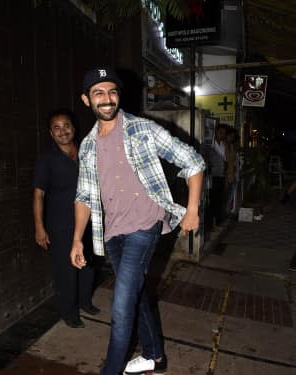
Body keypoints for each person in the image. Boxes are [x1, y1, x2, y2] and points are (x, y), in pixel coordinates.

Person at [70, 67, 205, 375]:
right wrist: (77, 238)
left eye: (112, 92)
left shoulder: (142, 129)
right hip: (113, 232)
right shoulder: (88, 146)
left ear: (119, 96)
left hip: (145, 225)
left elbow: (193, 161)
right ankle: (155, 356)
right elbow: (83, 197)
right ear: (86, 99)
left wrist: (192, 209)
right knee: (137, 293)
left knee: (120, 306)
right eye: (98, 93)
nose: (107, 99)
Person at [33, 109, 100, 329]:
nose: (63, 131)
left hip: (88, 220)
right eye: (57, 127)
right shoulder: (47, 160)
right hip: (61, 224)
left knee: (88, 264)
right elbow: (38, 194)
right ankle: (69, 312)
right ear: (51, 133)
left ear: (74, 128)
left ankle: (84, 302)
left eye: (66, 126)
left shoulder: (86, 152)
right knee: (67, 270)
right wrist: (39, 228)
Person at [209, 123, 227, 228]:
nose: (222, 135)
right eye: (220, 132)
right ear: (215, 133)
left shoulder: (223, 145)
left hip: (220, 175)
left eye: (224, 133)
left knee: (220, 199)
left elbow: (224, 160)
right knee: (213, 200)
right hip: (212, 176)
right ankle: (211, 223)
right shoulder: (211, 144)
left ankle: (219, 220)